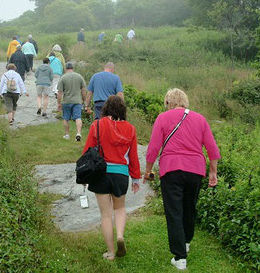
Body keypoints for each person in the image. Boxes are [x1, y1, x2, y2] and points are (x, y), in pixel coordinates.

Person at [143, 88, 220, 271]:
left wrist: (148, 171)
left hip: (172, 169)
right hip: (195, 170)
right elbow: (212, 148)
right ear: (185, 101)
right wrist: (213, 172)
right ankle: (185, 242)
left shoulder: (163, 118)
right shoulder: (200, 119)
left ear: (169, 102)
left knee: (174, 211)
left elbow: (153, 147)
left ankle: (180, 258)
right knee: (189, 207)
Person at [82, 95, 140, 261]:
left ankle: (111, 252)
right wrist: (135, 178)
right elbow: (134, 157)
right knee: (120, 208)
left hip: (100, 173)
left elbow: (88, 151)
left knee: (105, 214)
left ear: (106, 108)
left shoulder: (97, 125)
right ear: (123, 110)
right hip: (121, 174)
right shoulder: (131, 129)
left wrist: (85, 176)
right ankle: (120, 235)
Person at [57, 62, 86, 141]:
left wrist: (59, 103)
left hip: (66, 101)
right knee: (78, 117)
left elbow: (59, 92)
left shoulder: (63, 78)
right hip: (77, 101)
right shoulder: (79, 76)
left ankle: (67, 135)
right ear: (73, 68)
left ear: (65, 68)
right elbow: (83, 90)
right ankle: (78, 133)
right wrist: (84, 100)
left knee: (66, 118)